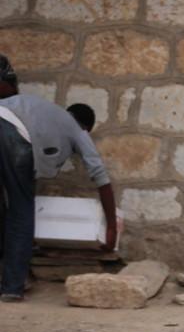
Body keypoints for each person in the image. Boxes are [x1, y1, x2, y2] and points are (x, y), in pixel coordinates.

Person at [0, 92, 117, 302]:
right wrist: (111, 227)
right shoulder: (76, 128)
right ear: (85, 128)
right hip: (14, 138)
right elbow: (101, 176)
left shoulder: (44, 111)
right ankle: (12, 287)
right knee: (21, 210)